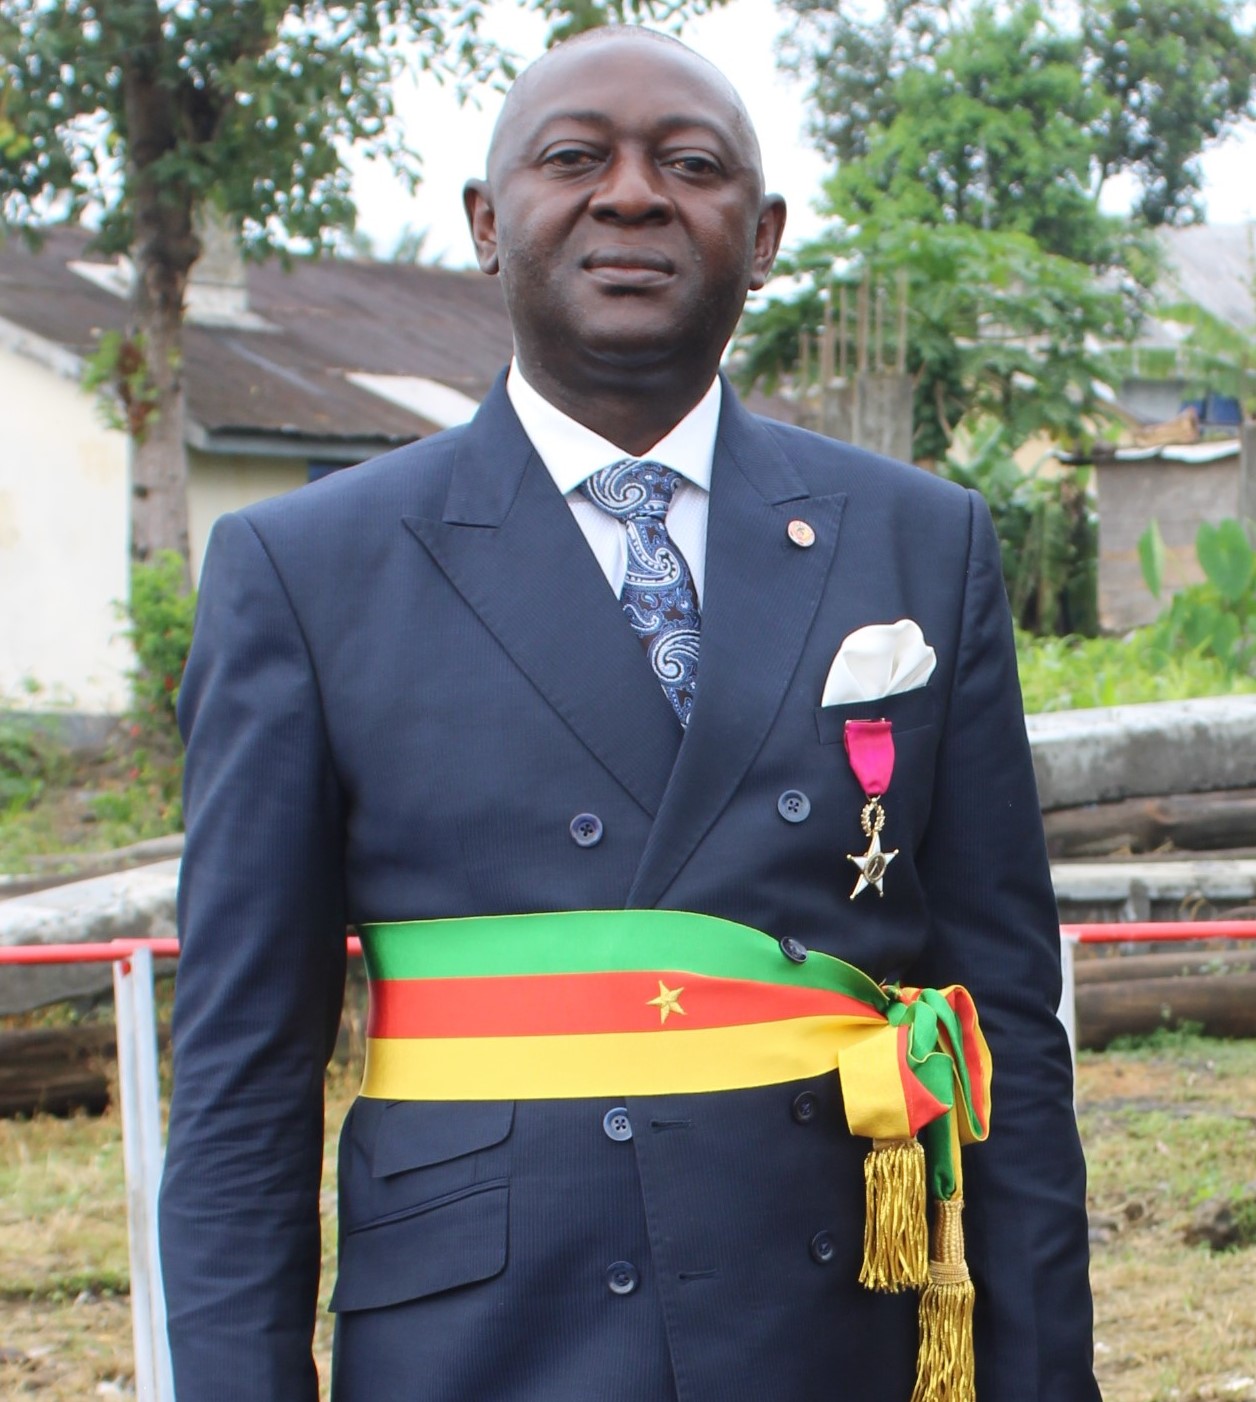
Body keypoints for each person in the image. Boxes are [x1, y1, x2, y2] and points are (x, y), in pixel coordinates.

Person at [159, 26, 1100, 1402]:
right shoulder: (308, 570)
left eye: (692, 165)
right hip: (484, 1344)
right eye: (574, 158)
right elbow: (243, 1075)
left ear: (763, 238)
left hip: (829, 1328)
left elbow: (1004, 1011)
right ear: (487, 224)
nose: (635, 195)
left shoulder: (917, 540)